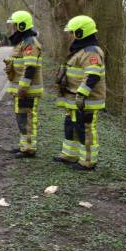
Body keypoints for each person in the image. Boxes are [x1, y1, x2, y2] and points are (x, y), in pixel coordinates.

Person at [53, 15, 105, 170]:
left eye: (73, 32)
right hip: (74, 99)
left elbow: (93, 75)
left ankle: (88, 162)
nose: (71, 36)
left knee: (86, 130)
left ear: (81, 33)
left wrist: (81, 95)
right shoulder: (81, 49)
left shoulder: (91, 51)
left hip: (86, 101)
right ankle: (70, 155)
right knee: (71, 126)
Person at [4, 10, 43, 157]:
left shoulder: (30, 43)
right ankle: (24, 145)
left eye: (14, 25)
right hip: (21, 90)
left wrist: (23, 87)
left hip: (27, 91)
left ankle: (29, 148)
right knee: (21, 118)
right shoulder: (22, 42)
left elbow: (30, 67)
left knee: (27, 118)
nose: (12, 28)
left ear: (21, 26)